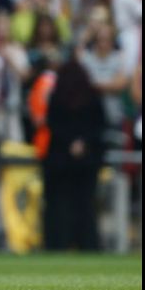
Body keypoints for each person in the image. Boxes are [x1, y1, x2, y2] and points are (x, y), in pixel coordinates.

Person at [43, 57, 106, 251]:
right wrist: (83, 142)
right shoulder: (93, 97)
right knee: (85, 205)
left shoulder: (57, 97)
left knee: (59, 205)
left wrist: (71, 142)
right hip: (87, 160)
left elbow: (53, 124)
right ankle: (87, 243)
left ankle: (58, 244)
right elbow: (99, 126)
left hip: (60, 159)